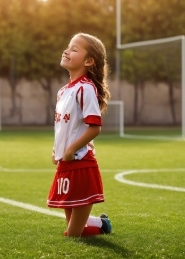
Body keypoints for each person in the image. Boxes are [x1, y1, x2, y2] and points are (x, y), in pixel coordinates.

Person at [47, 33, 112, 237]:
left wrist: (72, 149)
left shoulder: (85, 88)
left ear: (89, 61)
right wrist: (57, 150)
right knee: (75, 231)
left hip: (81, 164)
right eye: (68, 46)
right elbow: (65, 128)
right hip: (65, 163)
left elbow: (94, 127)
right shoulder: (63, 91)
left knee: (72, 235)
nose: (67, 50)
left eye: (74, 49)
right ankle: (102, 224)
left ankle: (100, 224)